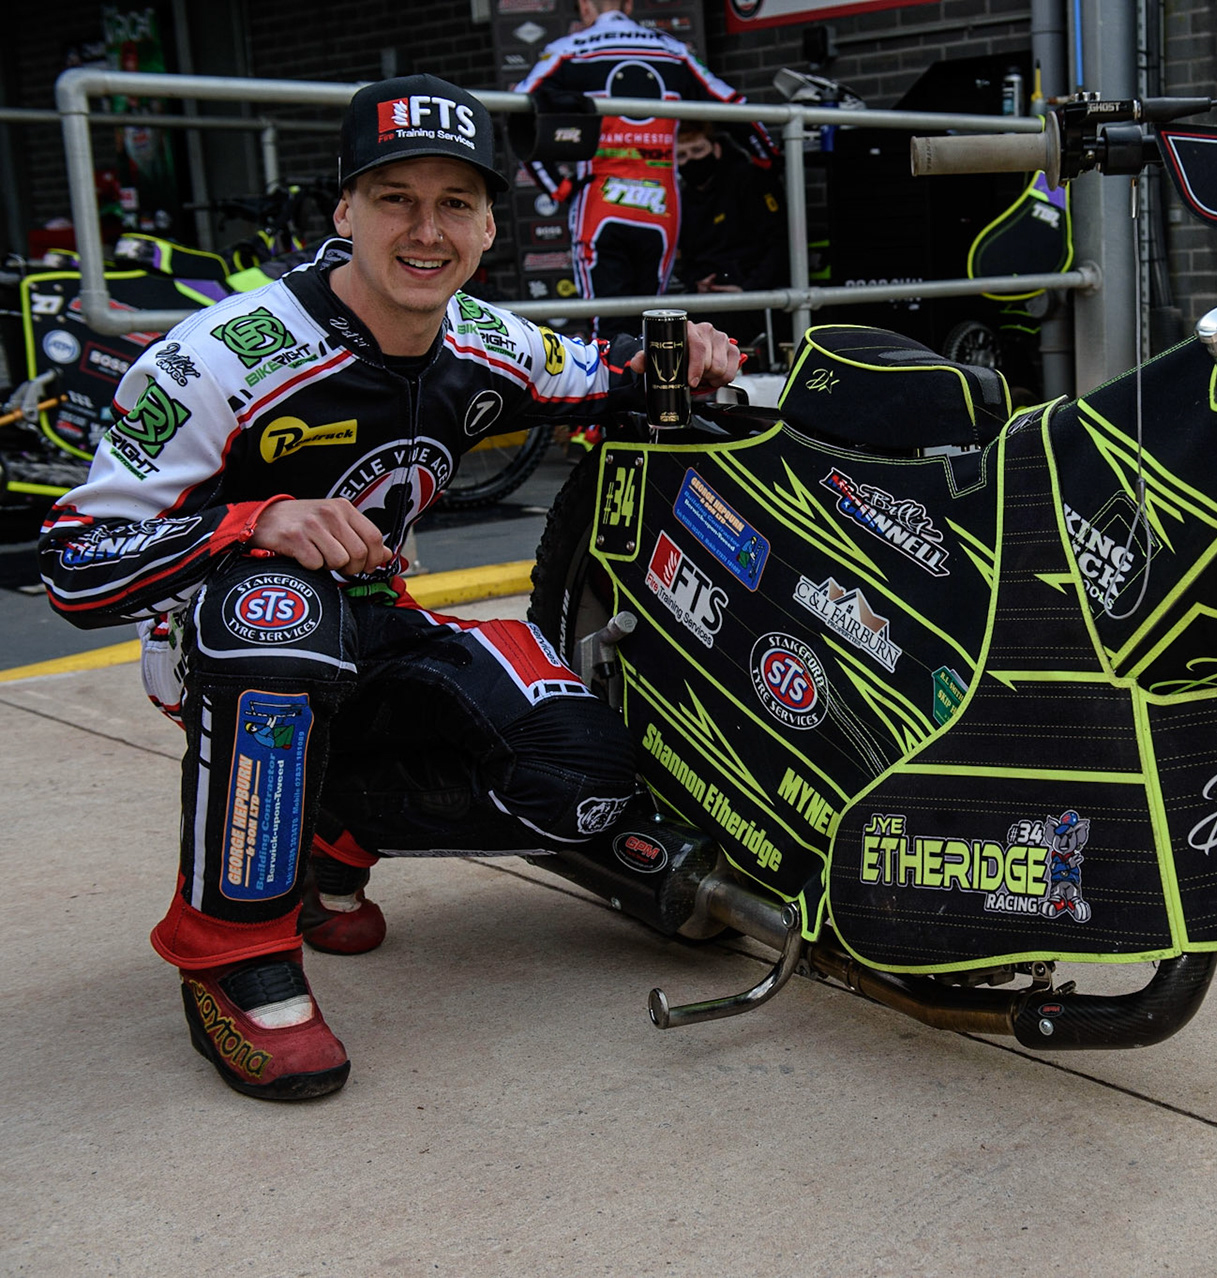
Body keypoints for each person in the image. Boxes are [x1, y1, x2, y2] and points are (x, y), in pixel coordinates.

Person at [38, 73, 738, 1102]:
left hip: (376, 623)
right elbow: (71, 562)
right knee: (278, 606)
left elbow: (601, 371)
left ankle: (327, 836)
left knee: (582, 775)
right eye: (394, 199)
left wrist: (696, 357)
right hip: (223, 644)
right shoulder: (221, 359)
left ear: (490, 224)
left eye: (455, 203)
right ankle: (233, 953)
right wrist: (250, 520)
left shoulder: (488, 340)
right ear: (344, 213)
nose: (426, 230)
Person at [514, 0, 770, 332]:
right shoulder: (674, 51)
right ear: (629, 5)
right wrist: (769, 156)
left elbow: (520, 108)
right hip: (660, 208)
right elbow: (734, 106)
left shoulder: (569, 50)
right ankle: (646, 384)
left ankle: (615, 383)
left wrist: (558, 186)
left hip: (601, 204)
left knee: (607, 329)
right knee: (652, 326)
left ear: (584, 7)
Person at [673, 117, 787, 296]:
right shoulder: (682, 200)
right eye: (682, 155)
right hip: (705, 297)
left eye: (697, 150)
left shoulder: (749, 181)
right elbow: (684, 259)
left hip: (753, 296)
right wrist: (697, 282)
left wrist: (749, 289)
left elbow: (779, 242)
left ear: (716, 149)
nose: (691, 160)